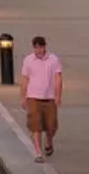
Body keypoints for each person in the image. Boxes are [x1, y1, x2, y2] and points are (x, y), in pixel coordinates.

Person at [19, 35, 63, 163]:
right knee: (35, 125)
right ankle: (38, 152)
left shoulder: (53, 60)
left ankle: (49, 141)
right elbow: (24, 79)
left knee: (51, 125)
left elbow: (58, 78)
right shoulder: (28, 60)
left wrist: (58, 95)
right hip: (33, 97)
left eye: (40, 48)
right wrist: (23, 97)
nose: (38, 51)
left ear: (44, 47)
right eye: (36, 48)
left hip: (49, 97)